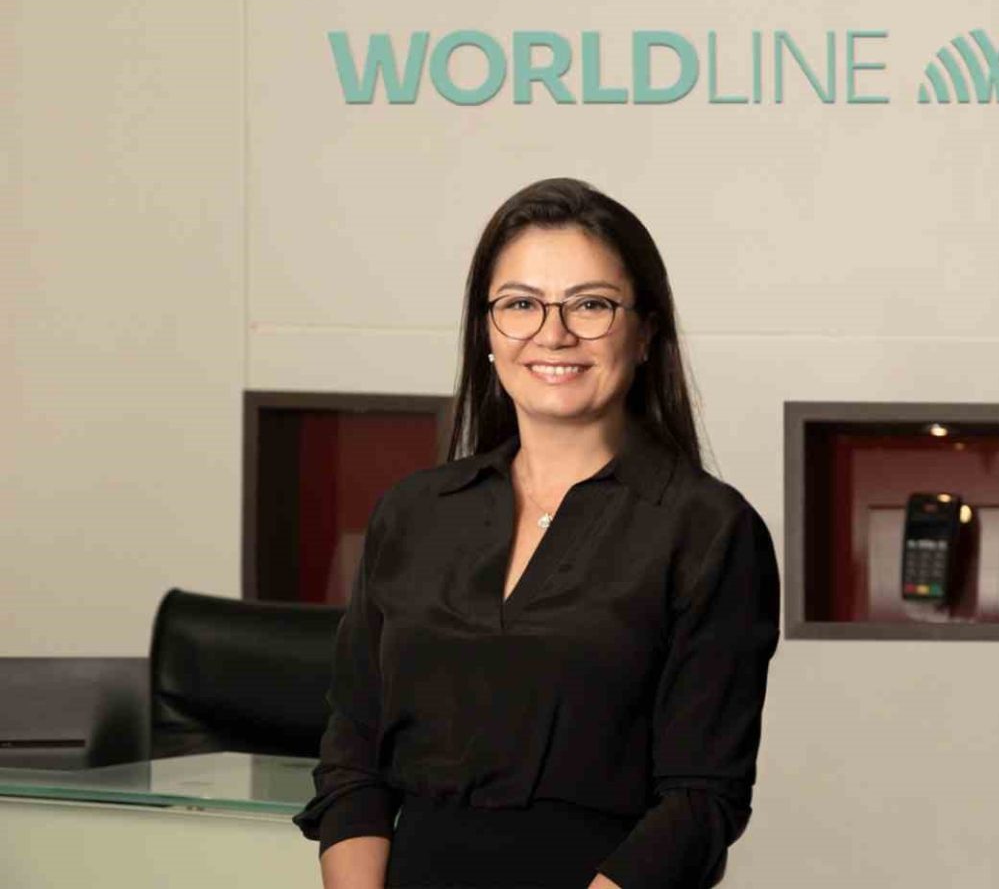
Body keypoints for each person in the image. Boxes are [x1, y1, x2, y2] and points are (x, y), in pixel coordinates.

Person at [293, 178, 782, 888]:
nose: (553, 334)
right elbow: (352, 761)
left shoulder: (708, 529)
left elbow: (701, 801)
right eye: (520, 304)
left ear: (646, 333)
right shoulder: (413, 512)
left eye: (591, 304)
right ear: (486, 333)